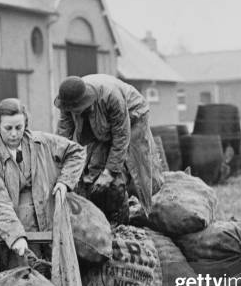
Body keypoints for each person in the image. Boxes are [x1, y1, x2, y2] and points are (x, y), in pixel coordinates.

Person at [0, 98, 85, 268]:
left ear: (25, 124)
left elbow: (76, 152)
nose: (14, 134)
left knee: (56, 272)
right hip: (16, 230)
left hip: (49, 219)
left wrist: (65, 181)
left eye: (19, 128)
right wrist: (16, 237)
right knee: (26, 277)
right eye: (8, 128)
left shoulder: (41, 142)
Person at [55, 74, 163, 224]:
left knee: (132, 168)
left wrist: (109, 172)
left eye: (77, 109)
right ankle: (99, 218)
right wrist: (57, 163)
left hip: (132, 114)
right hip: (104, 120)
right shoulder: (67, 100)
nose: (74, 113)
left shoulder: (112, 97)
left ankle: (138, 211)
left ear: (86, 101)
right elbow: (63, 133)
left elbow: (121, 137)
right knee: (92, 169)